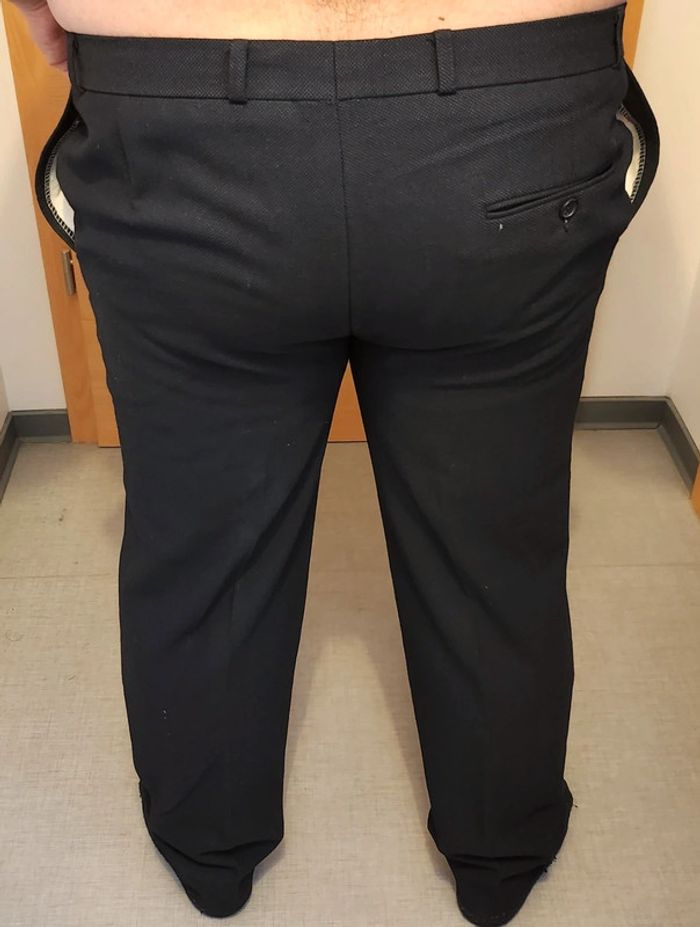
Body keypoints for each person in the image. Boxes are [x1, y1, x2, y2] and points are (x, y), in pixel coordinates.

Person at [12, 1, 660, 924]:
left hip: (176, 116)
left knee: (203, 548)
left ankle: (210, 852)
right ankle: (498, 857)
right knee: (492, 549)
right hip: (510, 122)